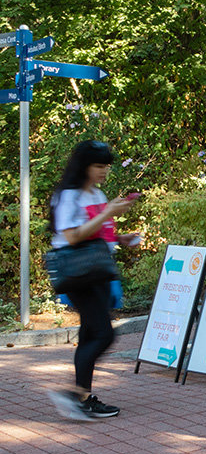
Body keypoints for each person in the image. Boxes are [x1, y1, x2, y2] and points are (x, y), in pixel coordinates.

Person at [46, 140, 140, 421]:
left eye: (106, 166)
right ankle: (74, 396)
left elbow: (96, 232)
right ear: (83, 166)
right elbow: (73, 236)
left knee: (90, 334)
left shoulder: (96, 194)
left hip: (97, 270)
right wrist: (107, 213)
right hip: (78, 272)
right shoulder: (68, 196)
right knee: (103, 334)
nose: (104, 171)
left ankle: (83, 397)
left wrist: (120, 238)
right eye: (98, 165)